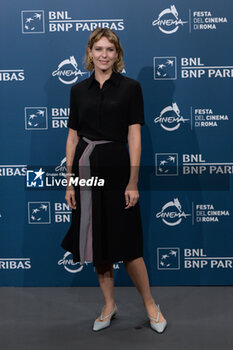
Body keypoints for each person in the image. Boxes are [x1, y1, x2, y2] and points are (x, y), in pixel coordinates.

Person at [61, 28, 167, 333]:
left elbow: (134, 136)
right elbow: (71, 139)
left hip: (119, 169)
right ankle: (109, 305)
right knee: (97, 243)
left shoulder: (131, 88)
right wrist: (70, 182)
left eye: (110, 49)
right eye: (99, 49)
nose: (104, 54)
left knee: (130, 245)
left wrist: (132, 181)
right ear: (90, 53)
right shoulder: (78, 90)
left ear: (117, 55)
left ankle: (150, 306)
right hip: (86, 171)